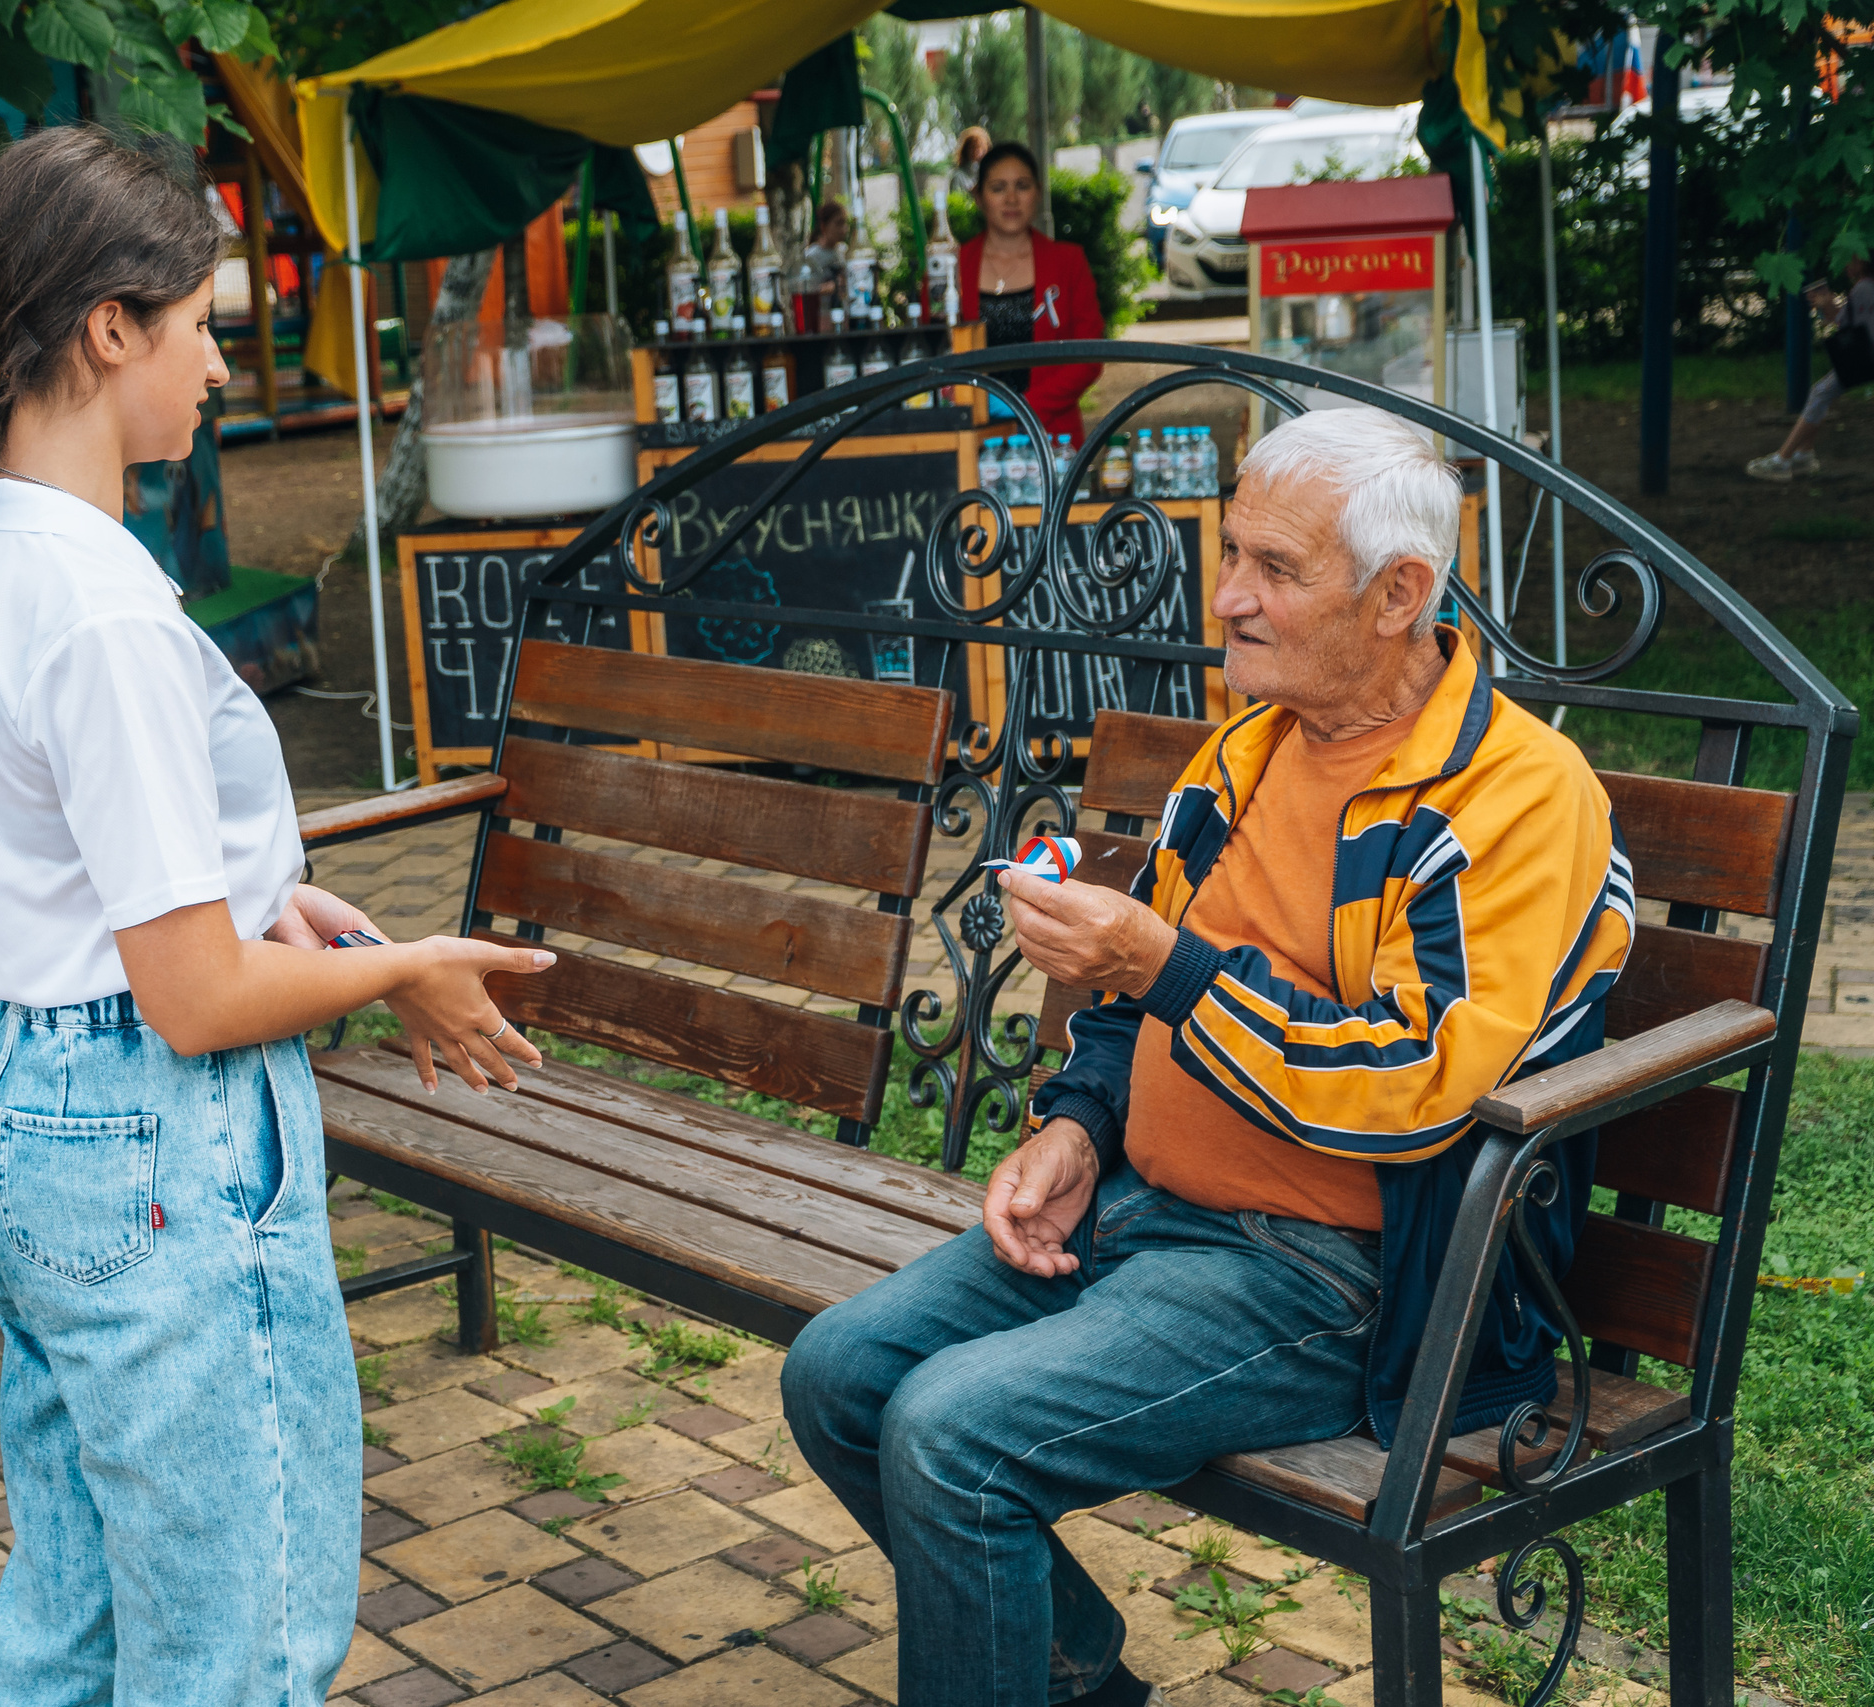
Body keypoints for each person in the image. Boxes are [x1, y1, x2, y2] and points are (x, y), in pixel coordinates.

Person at [0, 127, 553, 1707]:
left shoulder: (4, 542)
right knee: (235, 1646)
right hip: (147, 1145)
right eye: (205, 325)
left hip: (32, 1110)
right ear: (110, 328)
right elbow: (191, 1000)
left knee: (83, 1623)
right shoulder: (101, 610)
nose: (223, 365)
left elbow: (86, 861)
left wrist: (258, 890)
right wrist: (409, 972)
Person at [782, 407, 1636, 1707]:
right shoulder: (1250, 746)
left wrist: (1165, 964)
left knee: (953, 1436)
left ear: (1398, 592)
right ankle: (1063, 1665)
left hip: (1329, 1278)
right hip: (1145, 1205)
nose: (1226, 596)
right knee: (838, 1374)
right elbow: (1139, 995)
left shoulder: (1516, 797)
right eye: (1230, 551)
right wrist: (1075, 1122)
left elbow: (1414, 1083)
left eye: (1273, 569)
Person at [957, 142, 1104, 447]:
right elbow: (932, 352)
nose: (1011, 198)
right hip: (969, 439)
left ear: (1037, 192)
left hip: (1053, 438)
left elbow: (1089, 357)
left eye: (1022, 186)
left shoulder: (1068, 262)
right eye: (998, 188)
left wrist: (1025, 405)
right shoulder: (952, 269)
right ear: (979, 196)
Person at [1748, 255, 1874, 482]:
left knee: (1820, 393)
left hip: (1866, 358)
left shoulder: (1864, 288)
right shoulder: (1864, 287)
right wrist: (1828, 307)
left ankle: (1782, 460)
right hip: (1867, 356)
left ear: (1864, 260)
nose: (1844, 264)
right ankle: (1803, 454)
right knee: (1821, 393)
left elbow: (1845, 325)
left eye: (1850, 259)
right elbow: (1853, 320)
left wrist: (1827, 307)